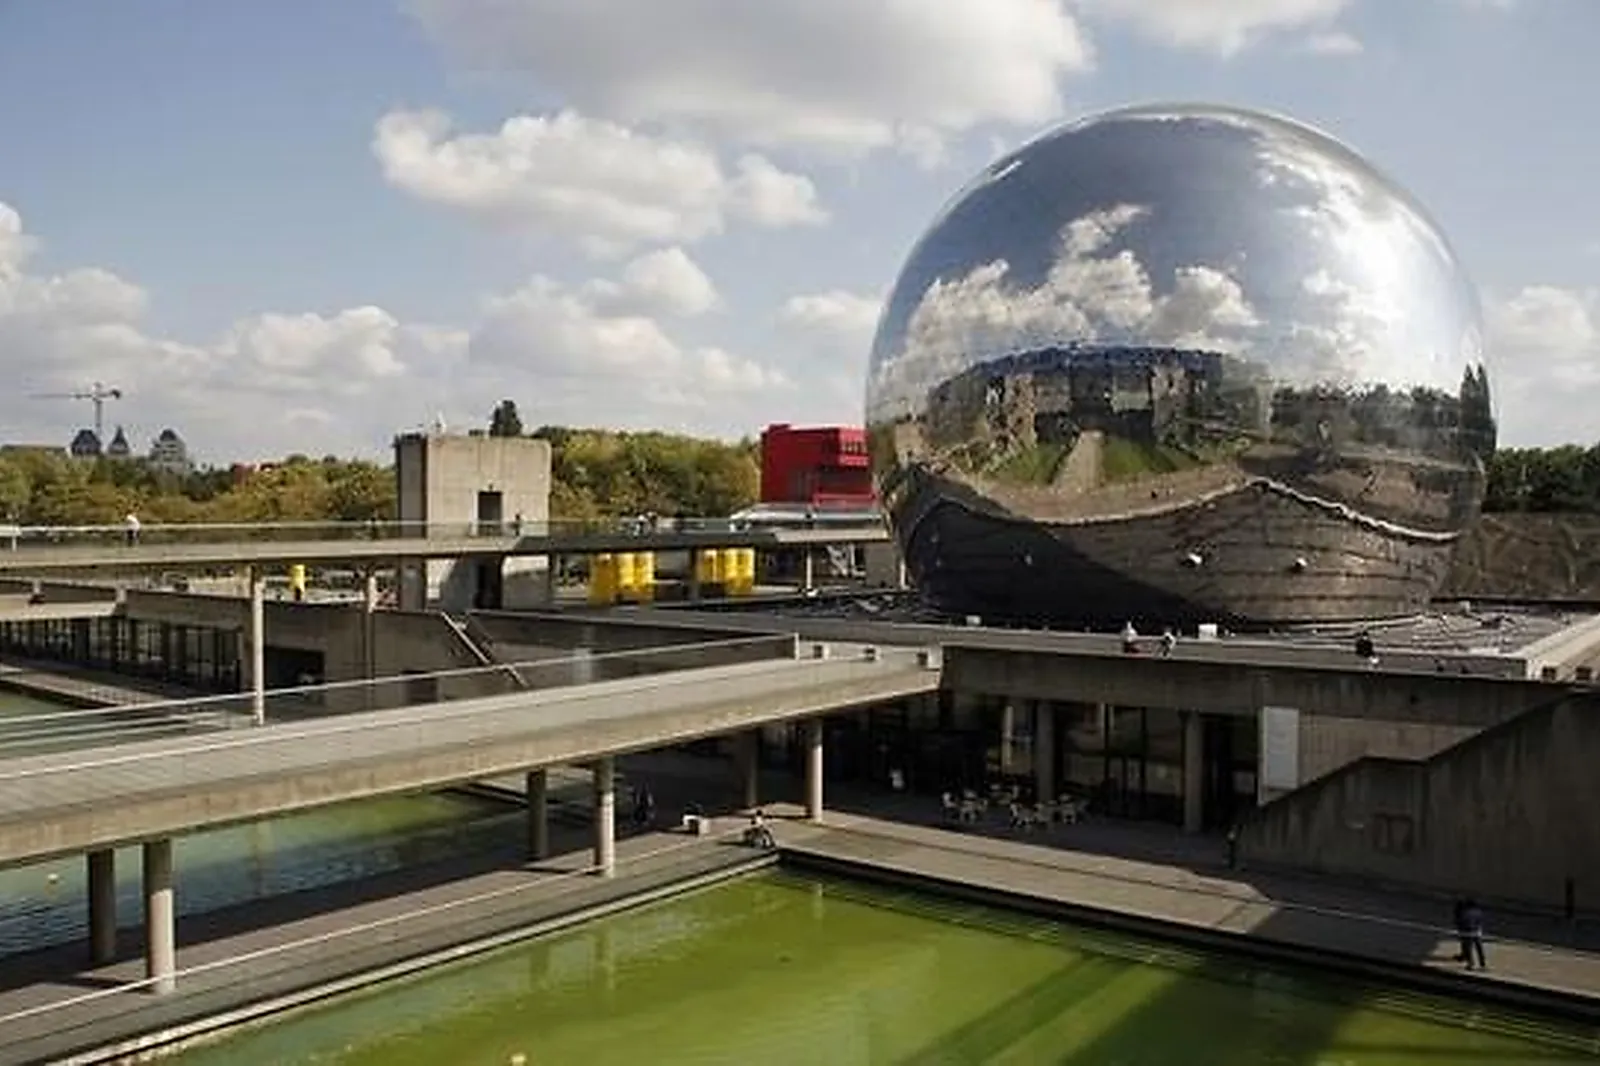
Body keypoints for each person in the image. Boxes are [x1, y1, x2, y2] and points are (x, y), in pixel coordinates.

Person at [1462, 898, 1488, 971]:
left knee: (1469, 949)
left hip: (1468, 933)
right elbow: (1481, 921)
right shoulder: (1478, 912)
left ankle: (1471, 964)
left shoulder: (1465, 913)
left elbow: (1463, 922)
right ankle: (1482, 964)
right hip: (1477, 932)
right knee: (1479, 948)